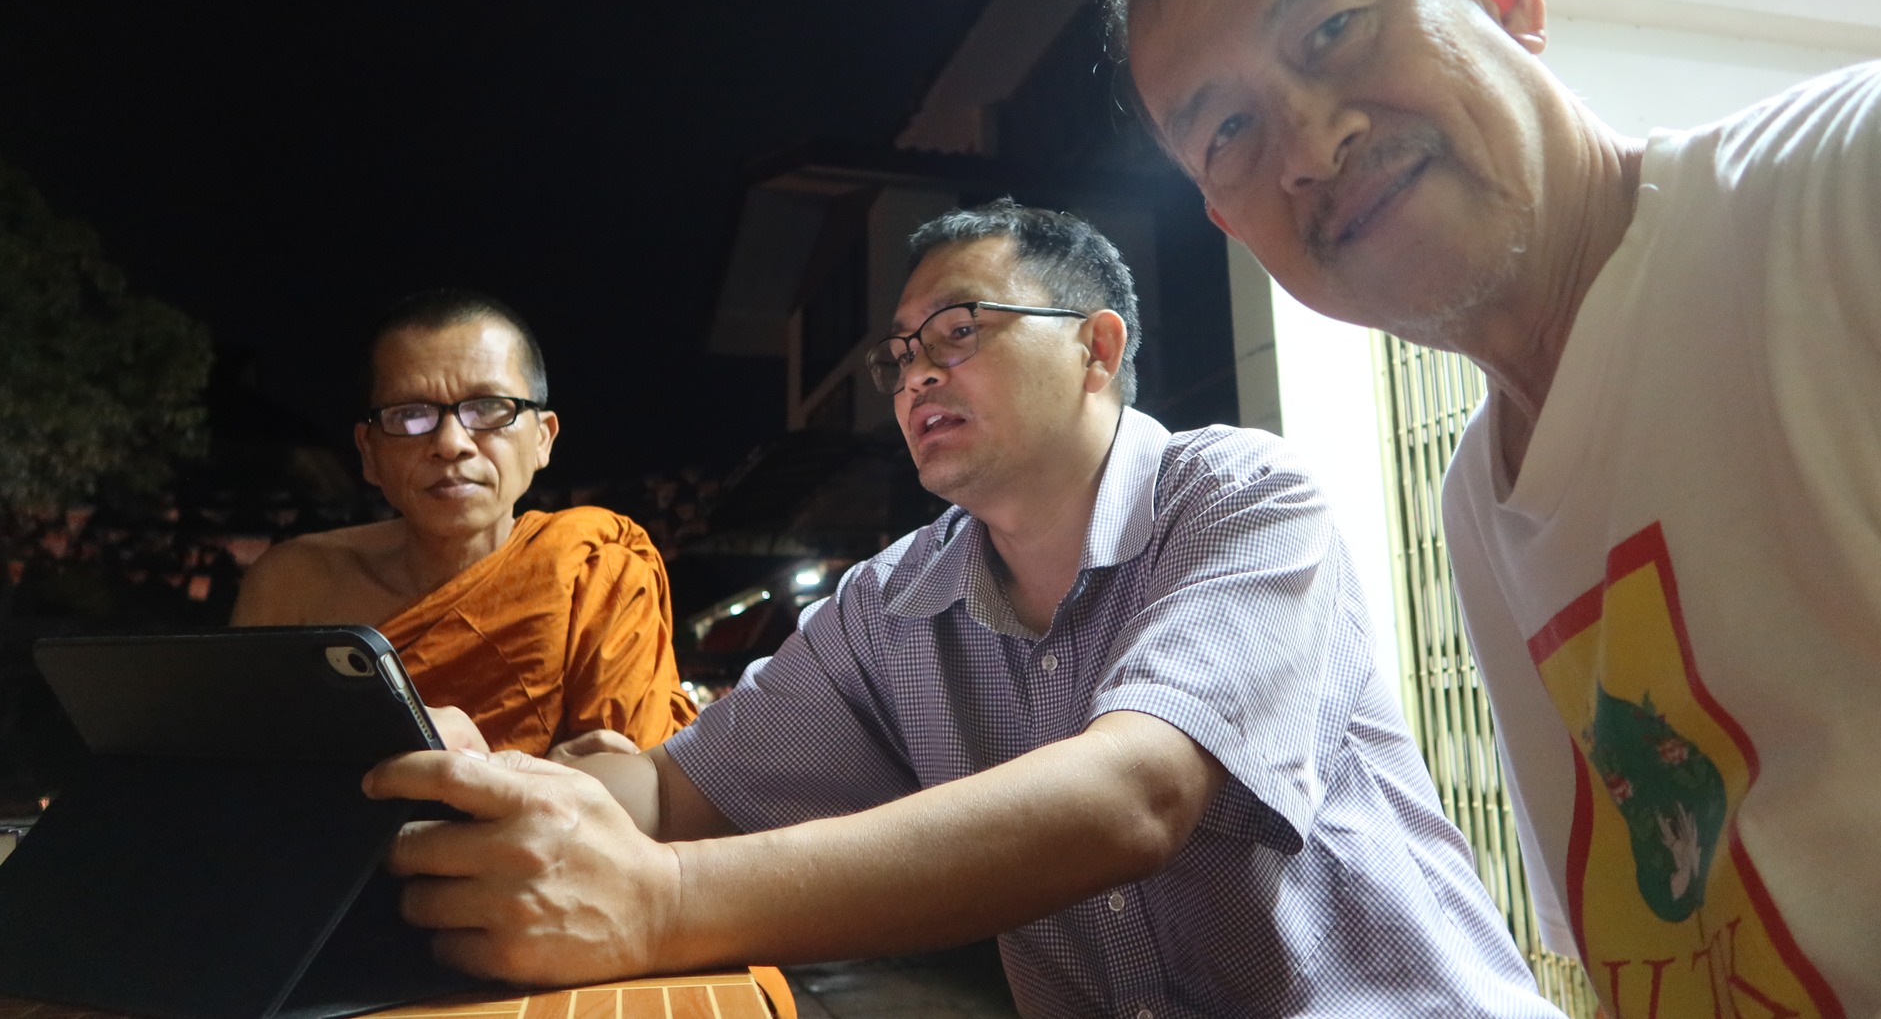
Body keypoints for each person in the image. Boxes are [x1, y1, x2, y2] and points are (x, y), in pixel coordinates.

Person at [1107, 0, 1881, 1018]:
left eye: (1333, 27)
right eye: (1226, 133)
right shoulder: (1479, 500)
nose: (1308, 142)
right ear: (1226, 219)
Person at [363, 202, 1563, 1017]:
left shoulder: (1240, 498)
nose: (917, 373)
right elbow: (677, 791)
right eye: (899, 355)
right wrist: (487, 782)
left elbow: (1135, 795)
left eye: (959, 330)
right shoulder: (892, 603)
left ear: (1096, 348)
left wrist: (660, 903)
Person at [232, 289, 694, 756]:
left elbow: (634, 784)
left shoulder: (594, 571)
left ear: (543, 438)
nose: (451, 443)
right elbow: (239, 770)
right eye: (410, 416)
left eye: (488, 408)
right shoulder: (293, 586)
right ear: (369, 453)